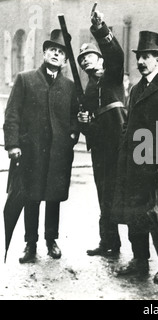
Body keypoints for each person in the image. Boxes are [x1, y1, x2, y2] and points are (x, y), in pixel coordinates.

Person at [111, 30, 158, 283]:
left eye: (147, 57)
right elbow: (129, 123)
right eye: (139, 57)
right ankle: (139, 260)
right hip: (134, 164)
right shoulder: (135, 88)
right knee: (135, 215)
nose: (141, 62)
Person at [3, 29, 80, 263]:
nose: (56, 54)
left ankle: (51, 240)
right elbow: (12, 113)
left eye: (61, 52)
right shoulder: (26, 79)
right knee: (31, 197)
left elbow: (74, 116)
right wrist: (13, 145)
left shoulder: (69, 85)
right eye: (52, 50)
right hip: (31, 152)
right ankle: (30, 244)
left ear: (66, 60)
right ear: (44, 53)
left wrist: (72, 135)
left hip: (58, 153)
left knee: (54, 197)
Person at [77, 9, 127, 258]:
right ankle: (109, 241)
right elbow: (87, 123)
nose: (86, 60)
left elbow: (116, 55)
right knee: (103, 193)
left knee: (123, 194)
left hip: (119, 144)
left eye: (90, 56)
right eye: (82, 59)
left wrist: (100, 28)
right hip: (100, 148)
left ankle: (140, 251)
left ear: (100, 59)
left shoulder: (112, 76)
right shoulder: (87, 88)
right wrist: (84, 121)